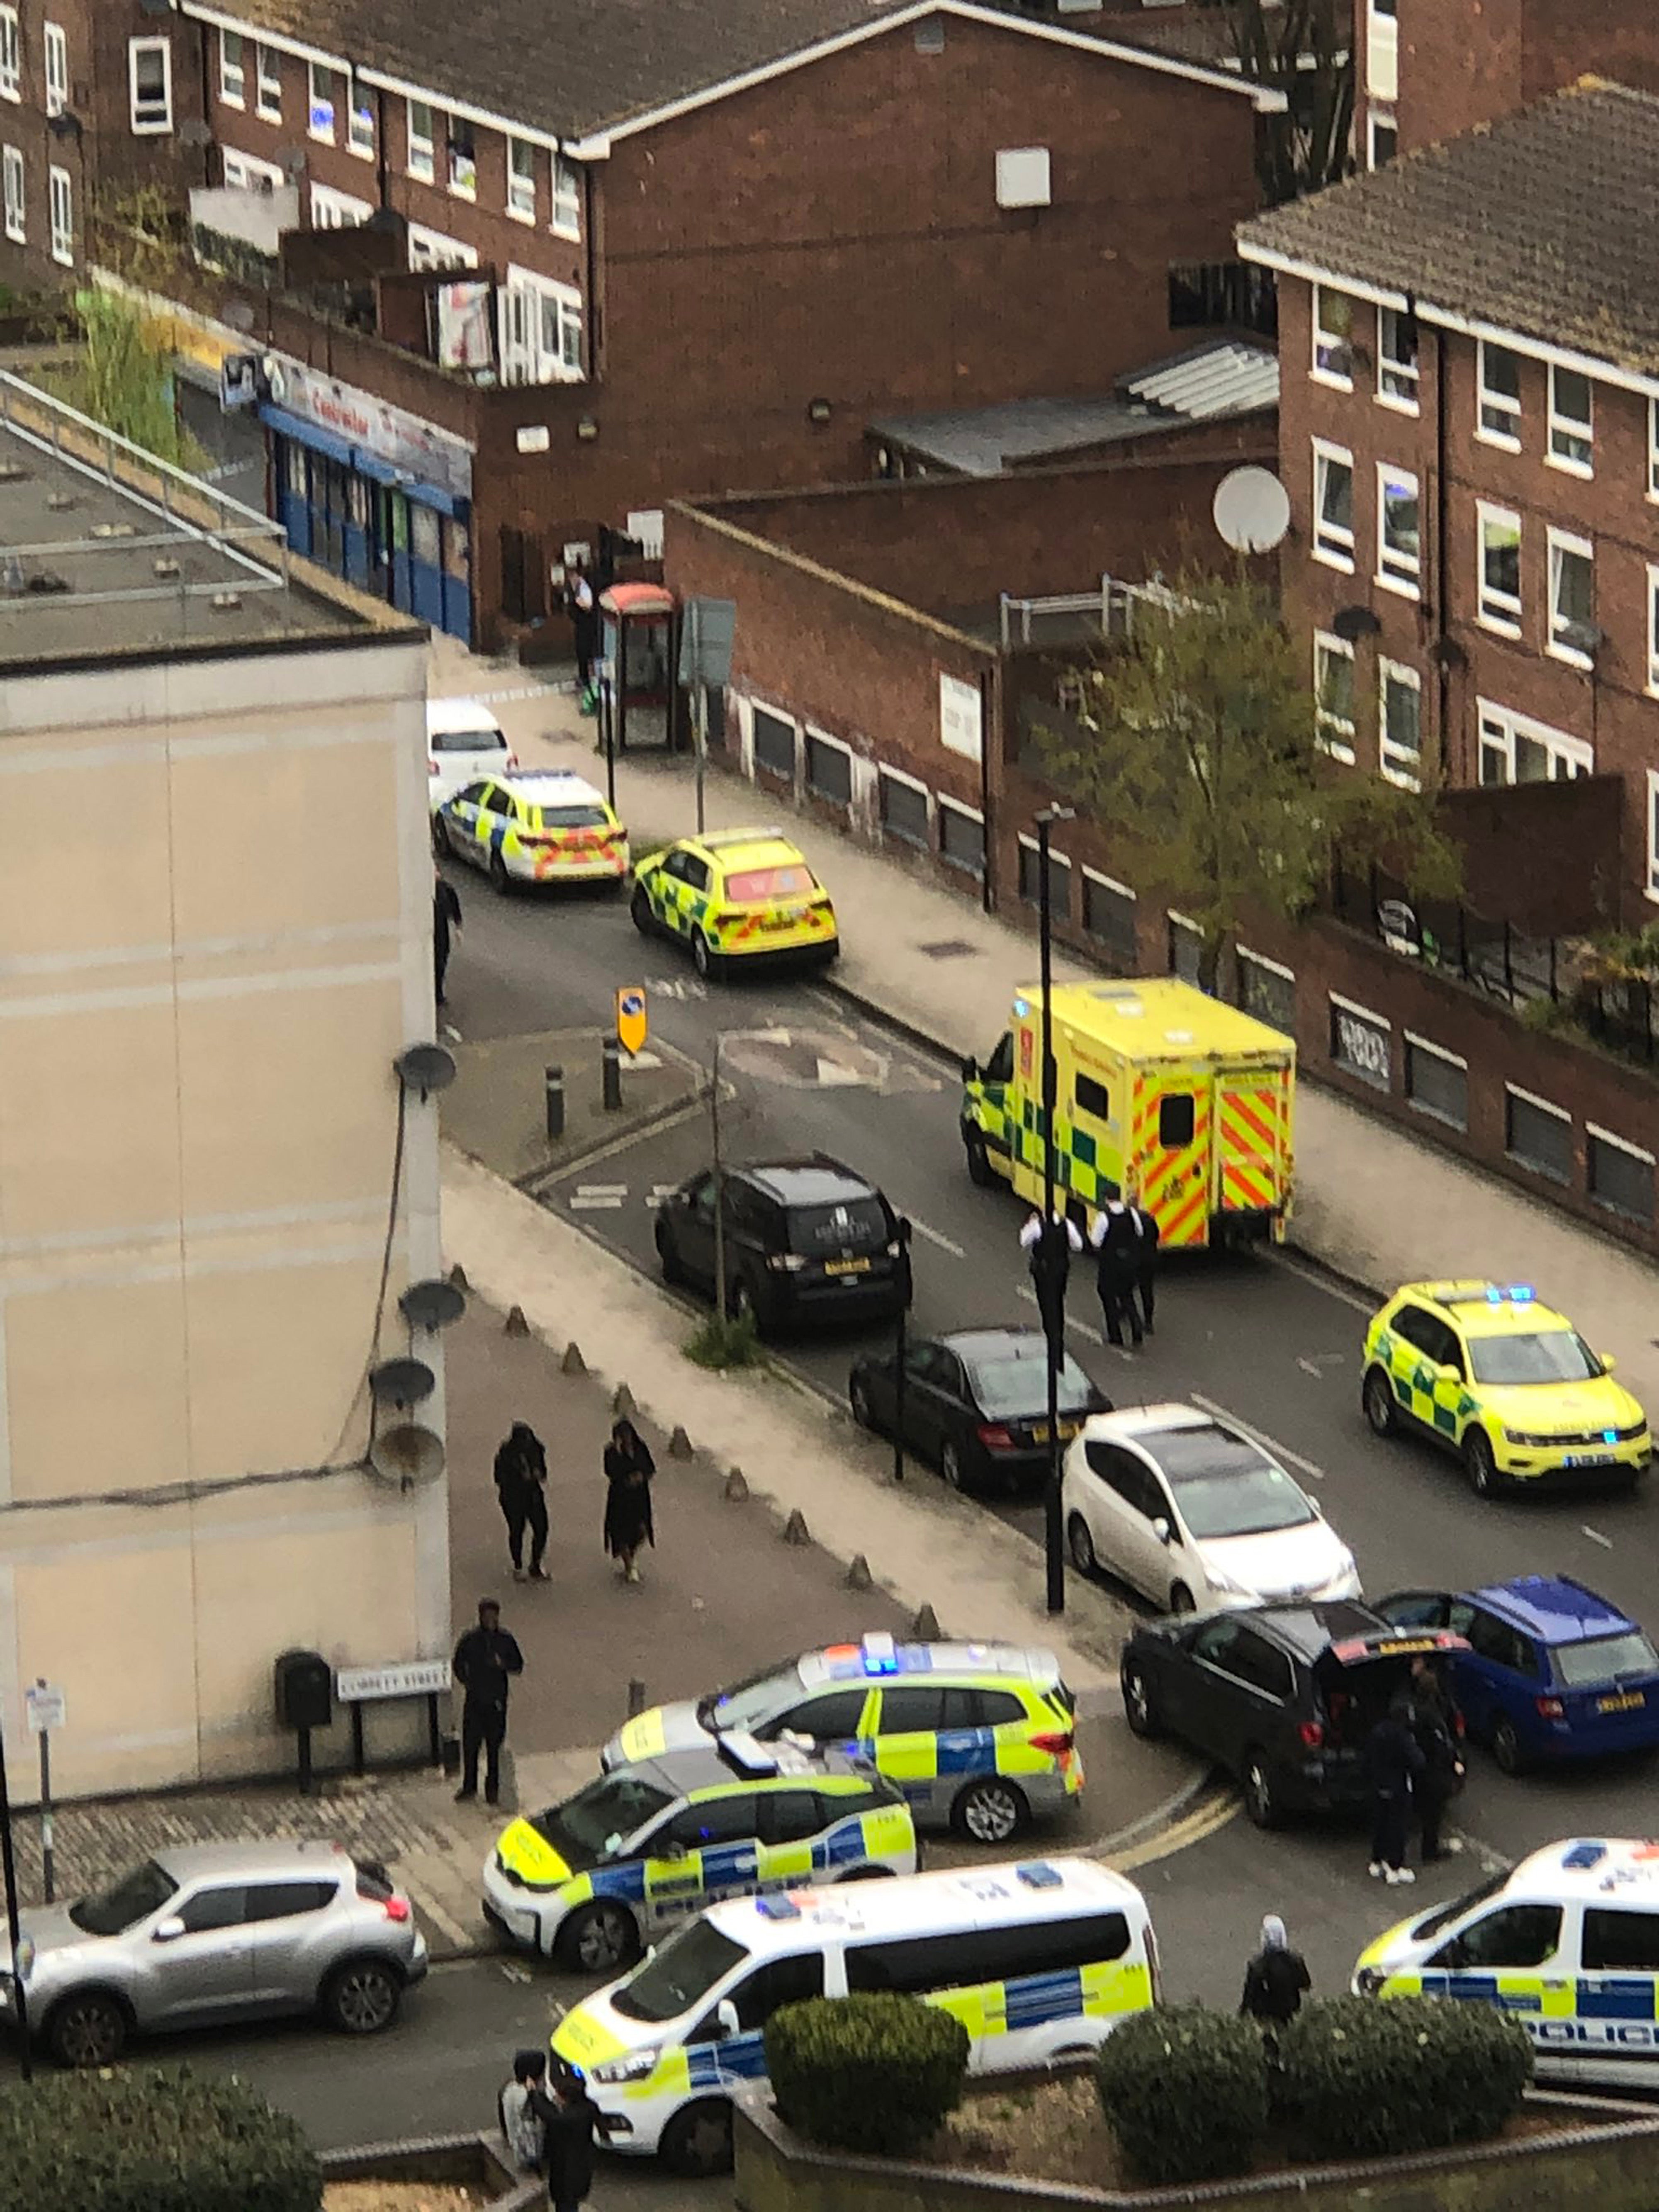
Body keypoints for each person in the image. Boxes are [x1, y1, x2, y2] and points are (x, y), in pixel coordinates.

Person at [452, 1598, 524, 1806]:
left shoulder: (505, 1639)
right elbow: (458, 1663)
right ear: (481, 1617)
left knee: (495, 1747)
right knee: (471, 1745)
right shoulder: (471, 1640)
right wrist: (467, 1682)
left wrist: (504, 1664)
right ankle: (469, 1787)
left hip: (496, 1702)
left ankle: (492, 1789)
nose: (491, 1620)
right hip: (475, 1700)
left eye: (494, 1616)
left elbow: (518, 1665)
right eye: (487, 1617)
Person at [529, 2066, 616, 2212]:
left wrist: (533, 2094)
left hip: (566, 2175)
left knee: (566, 2205)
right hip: (581, 2168)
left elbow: (549, 2115)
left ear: (567, 2099)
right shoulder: (588, 2108)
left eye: (558, 2095)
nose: (556, 2097)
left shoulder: (567, 2119)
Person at [1409, 1655, 1466, 1865]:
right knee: (1434, 1812)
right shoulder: (1431, 1716)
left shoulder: (1416, 1710)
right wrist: (1454, 1762)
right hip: (1434, 1769)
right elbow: (1442, 1743)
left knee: (1427, 1808)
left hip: (1423, 1766)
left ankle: (1429, 1846)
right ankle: (1430, 1851)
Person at [1363, 1693, 1426, 1885]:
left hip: (1379, 1785)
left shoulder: (1378, 1731)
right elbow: (1418, 1761)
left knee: (1381, 1824)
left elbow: (1368, 1759)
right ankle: (1395, 1866)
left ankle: (1377, 1861)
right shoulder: (1402, 1736)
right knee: (1398, 1826)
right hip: (1398, 1786)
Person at [1239, 1914, 1311, 2043]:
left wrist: (1242, 2015)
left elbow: (1249, 1995)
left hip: (1265, 2017)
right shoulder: (1295, 1962)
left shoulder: (1258, 1966)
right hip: (1290, 2014)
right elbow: (1306, 1984)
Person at [494, 1420, 549, 1583]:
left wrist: (538, 1474)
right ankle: (518, 1565)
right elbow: (499, 1479)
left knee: (542, 1528)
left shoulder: (536, 1450)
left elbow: (543, 1471)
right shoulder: (505, 1456)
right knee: (517, 1530)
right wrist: (519, 1478)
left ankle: (536, 1564)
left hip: (533, 1495)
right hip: (513, 1497)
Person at [1020, 1207, 1081, 1350]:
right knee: (1058, 1302)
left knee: (1046, 1304)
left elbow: (1023, 1241)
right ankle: (1058, 1336)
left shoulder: (1037, 1226)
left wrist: (1030, 1223)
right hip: (1061, 1270)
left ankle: (1051, 1336)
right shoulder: (1067, 1224)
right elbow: (1078, 1245)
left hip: (1044, 1271)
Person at [603, 1418, 656, 1583]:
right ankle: (629, 1566)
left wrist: (641, 1476)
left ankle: (631, 1556)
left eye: (627, 1434)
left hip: (639, 1497)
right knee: (620, 1532)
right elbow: (610, 1472)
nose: (625, 1438)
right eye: (621, 1435)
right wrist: (619, 1454)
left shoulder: (641, 1448)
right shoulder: (611, 1451)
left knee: (641, 1531)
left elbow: (651, 1468)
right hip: (620, 1497)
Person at [1089, 1198, 1143, 1349]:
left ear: (1107, 1200)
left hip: (1110, 1264)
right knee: (1127, 1296)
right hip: (1128, 1263)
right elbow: (1140, 1232)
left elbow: (1096, 1242)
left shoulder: (1104, 1218)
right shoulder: (1131, 1213)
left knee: (1108, 1297)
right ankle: (1137, 1330)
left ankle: (1116, 1336)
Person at [499, 2048, 548, 2173]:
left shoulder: (508, 2089)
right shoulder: (530, 2098)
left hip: (514, 2142)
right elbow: (531, 2130)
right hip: (527, 2154)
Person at [1126, 1195, 1161, 1337]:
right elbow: (1157, 1236)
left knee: (1127, 1289)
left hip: (1134, 1260)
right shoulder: (1150, 1219)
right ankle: (1149, 1322)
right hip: (1150, 1259)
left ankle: (1129, 1316)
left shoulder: (1128, 1221)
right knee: (1147, 1291)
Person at [567, 563, 598, 713]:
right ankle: (586, 686)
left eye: (572, 577)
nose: (571, 580)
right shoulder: (577, 589)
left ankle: (590, 700)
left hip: (587, 631)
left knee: (587, 659)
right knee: (583, 656)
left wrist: (581, 604)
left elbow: (588, 606)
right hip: (582, 631)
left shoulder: (584, 588)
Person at [433, 873, 462, 1007]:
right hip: (431, 929)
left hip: (441, 929)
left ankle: (438, 993)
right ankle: (435, 992)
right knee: (436, 961)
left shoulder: (445, 889)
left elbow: (455, 907)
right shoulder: (428, 891)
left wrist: (458, 928)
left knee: (441, 960)